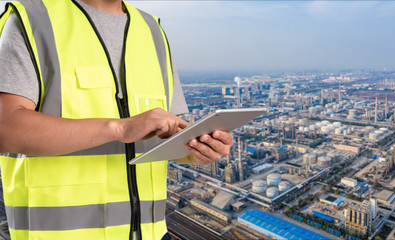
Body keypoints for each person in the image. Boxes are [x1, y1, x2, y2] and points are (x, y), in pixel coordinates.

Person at [0, 0, 233, 239]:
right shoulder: (33, 20)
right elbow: (5, 129)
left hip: (150, 233)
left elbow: (163, 132)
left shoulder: (152, 30)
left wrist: (194, 149)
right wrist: (119, 128)